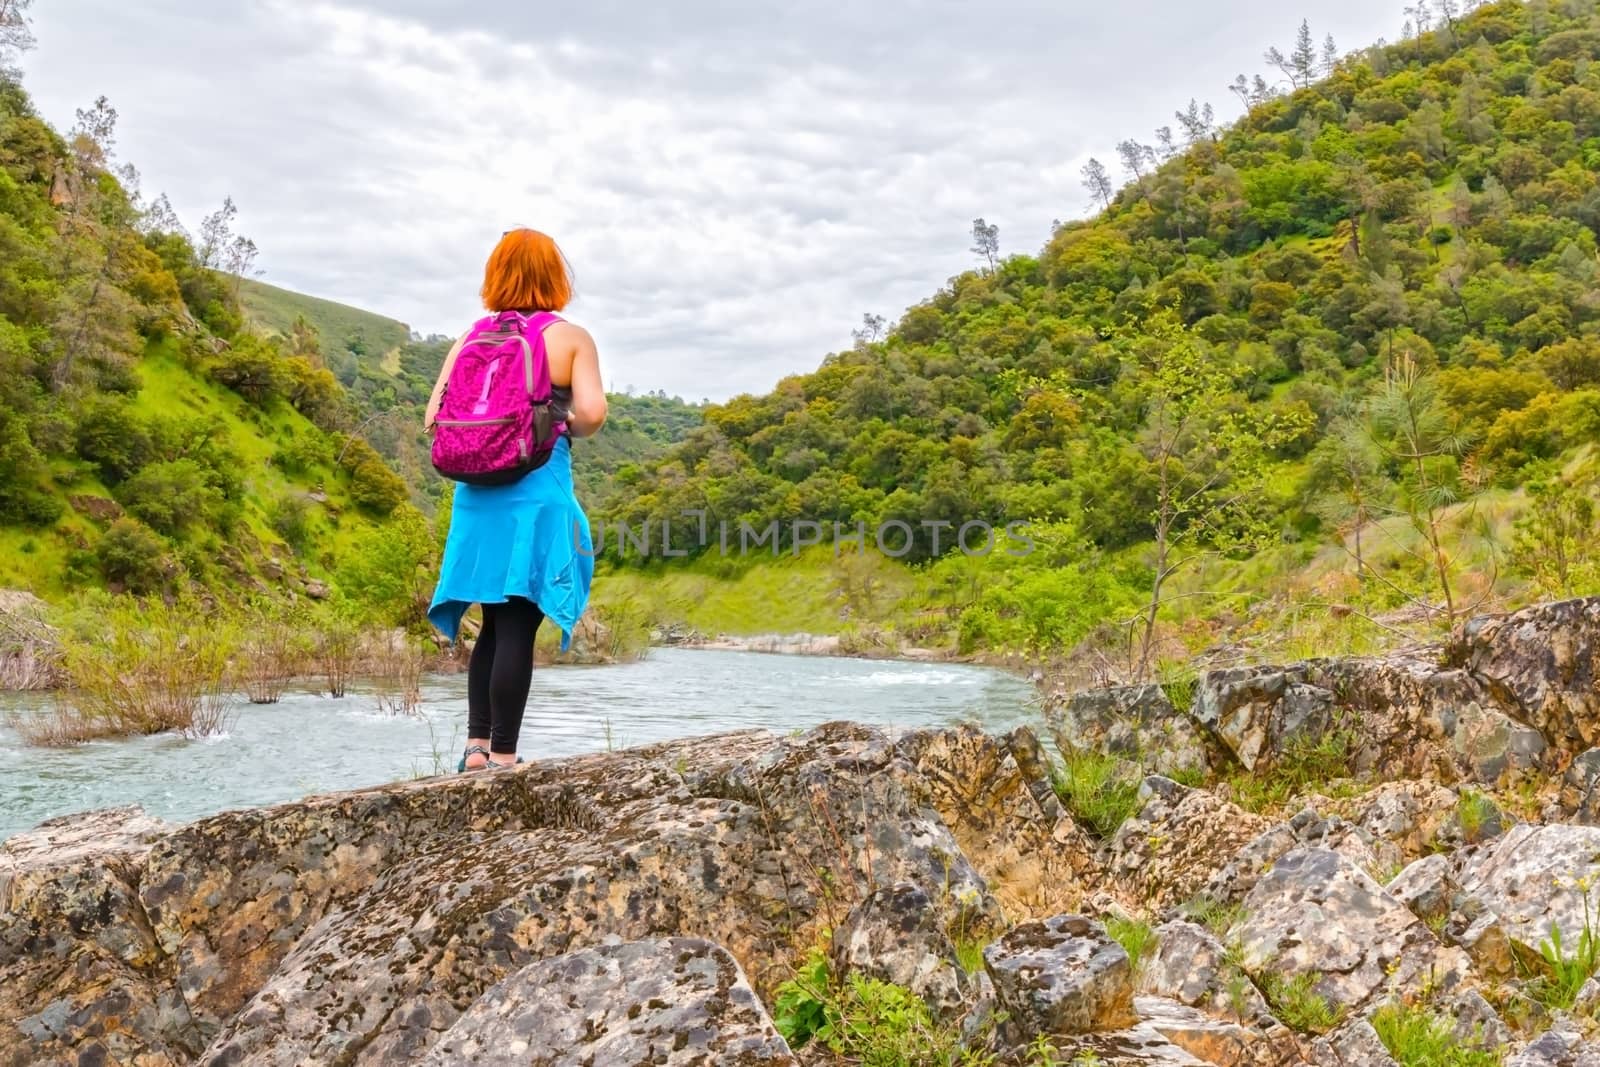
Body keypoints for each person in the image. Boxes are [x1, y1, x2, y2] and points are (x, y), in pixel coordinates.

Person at [424, 228, 606, 771]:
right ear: (555, 277)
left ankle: (475, 749)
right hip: (537, 491)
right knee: (519, 625)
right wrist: (558, 417)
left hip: (477, 494)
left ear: (495, 275)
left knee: (491, 620)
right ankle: (504, 755)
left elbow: (433, 415)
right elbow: (593, 415)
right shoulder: (570, 338)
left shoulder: (469, 339)